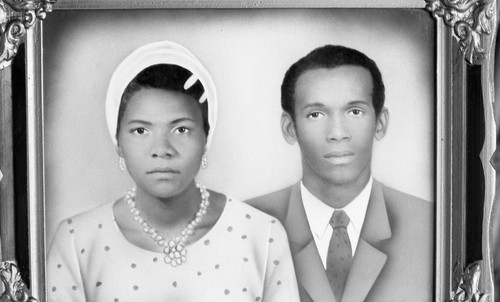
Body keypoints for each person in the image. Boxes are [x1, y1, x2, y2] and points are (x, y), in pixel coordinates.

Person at [47, 40, 300, 302]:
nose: (162, 149)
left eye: (181, 129)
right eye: (141, 131)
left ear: (205, 138)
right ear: (119, 142)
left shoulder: (262, 234)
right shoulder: (76, 240)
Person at [247, 45, 434, 302]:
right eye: (316, 114)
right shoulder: (247, 226)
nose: (337, 132)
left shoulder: (433, 226)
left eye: (354, 111)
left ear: (380, 123)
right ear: (290, 128)